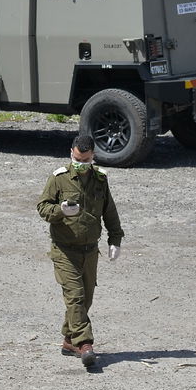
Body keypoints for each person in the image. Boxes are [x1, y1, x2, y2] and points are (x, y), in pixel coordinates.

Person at [35, 133, 123, 368]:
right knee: (75, 297)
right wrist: (61, 211)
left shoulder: (101, 180)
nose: (80, 165)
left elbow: (109, 212)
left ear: (93, 156)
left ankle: (69, 340)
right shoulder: (59, 179)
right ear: (71, 153)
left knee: (86, 299)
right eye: (76, 159)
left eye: (85, 161)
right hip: (64, 250)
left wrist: (115, 239)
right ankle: (85, 344)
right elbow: (43, 207)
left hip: (90, 250)